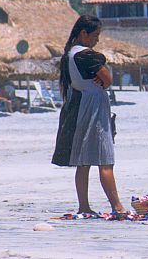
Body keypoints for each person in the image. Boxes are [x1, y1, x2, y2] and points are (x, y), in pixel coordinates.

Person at [51, 15, 125, 215]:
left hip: (81, 106)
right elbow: (107, 79)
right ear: (84, 33)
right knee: (105, 159)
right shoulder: (86, 55)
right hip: (94, 107)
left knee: (83, 161)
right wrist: (103, 78)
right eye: (96, 35)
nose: (97, 39)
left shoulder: (69, 55)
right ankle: (117, 206)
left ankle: (84, 206)